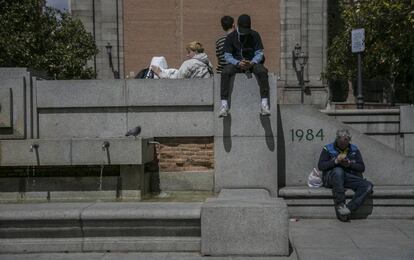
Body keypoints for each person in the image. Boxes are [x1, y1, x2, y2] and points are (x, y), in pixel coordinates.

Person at [219, 14, 271, 117]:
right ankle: (224, 105)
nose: (244, 32)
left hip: (252, 63)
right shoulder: (231, 37)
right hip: (236, 63)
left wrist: (252, 62)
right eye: (242, 29)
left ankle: (264, 104)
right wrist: (238, 63)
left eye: (246, 30)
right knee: (225, 72)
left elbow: (259, 53)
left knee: (262, 71)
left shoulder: (255, 35)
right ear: (237, 26)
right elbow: (227, 56)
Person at [318, 129, 373, 222]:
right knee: (338, 171)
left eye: (345, 143)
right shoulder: (327, 148)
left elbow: (362, 167)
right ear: (337, 140)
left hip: (348, 177)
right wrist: (335, 161)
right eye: (341, 143)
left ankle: (348, 209)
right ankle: (340, 204)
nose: (343, 145)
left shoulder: (354, 150)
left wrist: (350, 164)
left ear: (349, 141)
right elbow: (321, 166)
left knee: (368, 185)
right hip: (331, 178)